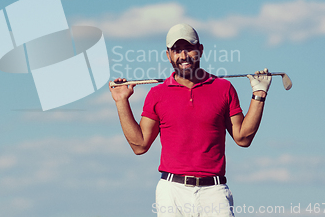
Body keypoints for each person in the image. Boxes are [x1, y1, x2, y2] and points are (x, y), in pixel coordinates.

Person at [109, 23, 272, 217]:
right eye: (177, 50)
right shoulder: (157, 94)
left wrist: (259, 94)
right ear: (168, 55)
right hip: (172, 191)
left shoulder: (223, 88)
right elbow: (140, 145)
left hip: (214, 191)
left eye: (189, 49)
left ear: (200, 50)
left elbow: (243, 138)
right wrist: (121, 102)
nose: (183, 56)